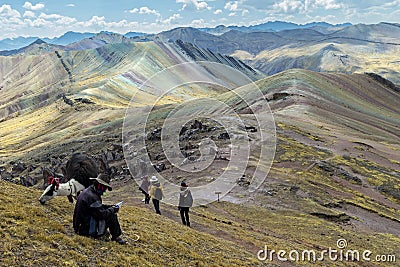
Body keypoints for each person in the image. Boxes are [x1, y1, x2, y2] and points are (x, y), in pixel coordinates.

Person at [73, 173, 127, 244]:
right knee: (112, 215)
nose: (104, 191)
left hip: (79, 226)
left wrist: (109, 207)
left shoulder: (88, 191)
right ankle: (116, 237)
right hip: (85, 230)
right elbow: (102, 214)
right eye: (104, 188)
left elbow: (96, 208)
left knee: (110, 212)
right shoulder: (93, 197)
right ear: (99, 185)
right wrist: (113, 210)